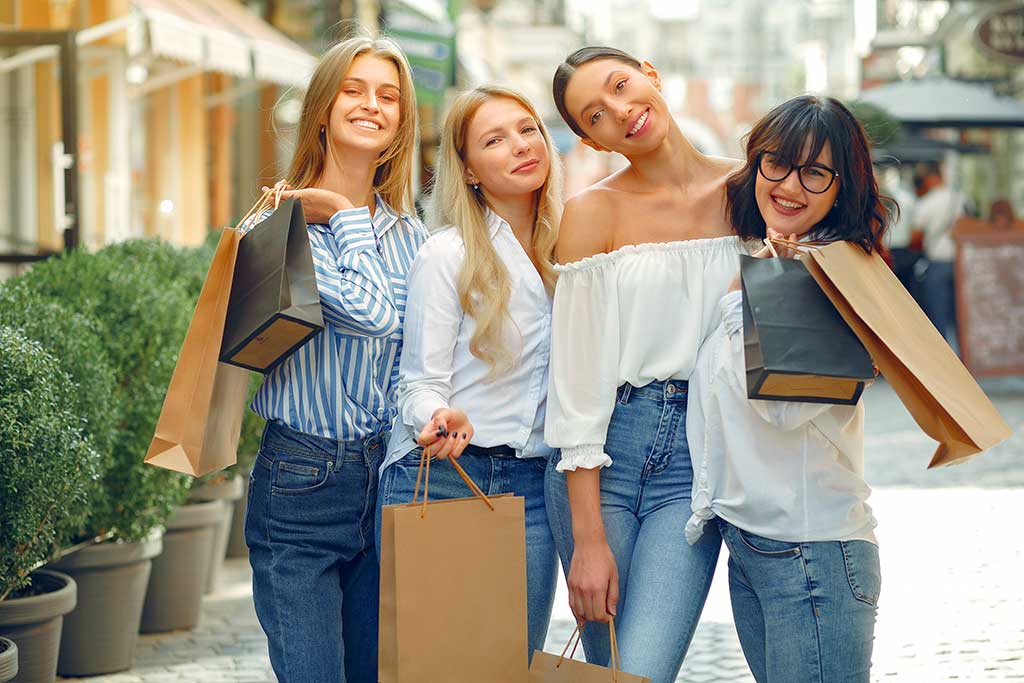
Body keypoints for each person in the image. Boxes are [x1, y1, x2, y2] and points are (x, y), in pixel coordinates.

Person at [544, 46, 752, 683]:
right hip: (604, 453)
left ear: (651, 75)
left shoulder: (750, 192)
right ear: (591, 139)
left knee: (645, 668)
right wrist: (586, 541)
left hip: (698, 455)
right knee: (612, 672)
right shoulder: (591, 215)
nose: (621, 111)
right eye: (596, 114)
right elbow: (576, 382)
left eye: (621, 86)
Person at [685, 95, 891, 683]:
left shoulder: (837, 270)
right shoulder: (767, 260)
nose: (790, 185)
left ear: (841, 186)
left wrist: (741, 296)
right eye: (777, 163)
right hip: (756, 547)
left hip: (813, 552)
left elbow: (786, 404)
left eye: (815, 172)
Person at [243, 32, 427, 683]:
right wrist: (344, 214)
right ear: (323, 106)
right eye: (353, 90)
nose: (371, 105)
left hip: (389, 481)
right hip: (301, 482)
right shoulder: (277, 223)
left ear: (402, 119)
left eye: (388, 95)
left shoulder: (412, 233)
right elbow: (374, 315)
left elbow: (418, 351)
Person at [377, 85, 563, 659]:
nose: (520, 145)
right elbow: (417, 380)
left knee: (509, 669)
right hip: (448, 478)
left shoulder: (576, 246)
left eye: (527, 128)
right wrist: (438, 415)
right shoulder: (447, 255)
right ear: (469, 170)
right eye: (494, 139)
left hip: (537, 486)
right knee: (443, 670)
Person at [911, 162, 966, 343]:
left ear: (930, 179)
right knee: (962, 315)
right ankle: (966, 356)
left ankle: (943, 359)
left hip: (936, 264)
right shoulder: (960, 199)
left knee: (938, 314)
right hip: (962, 264)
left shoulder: (926, 203)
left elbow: (916, 238)